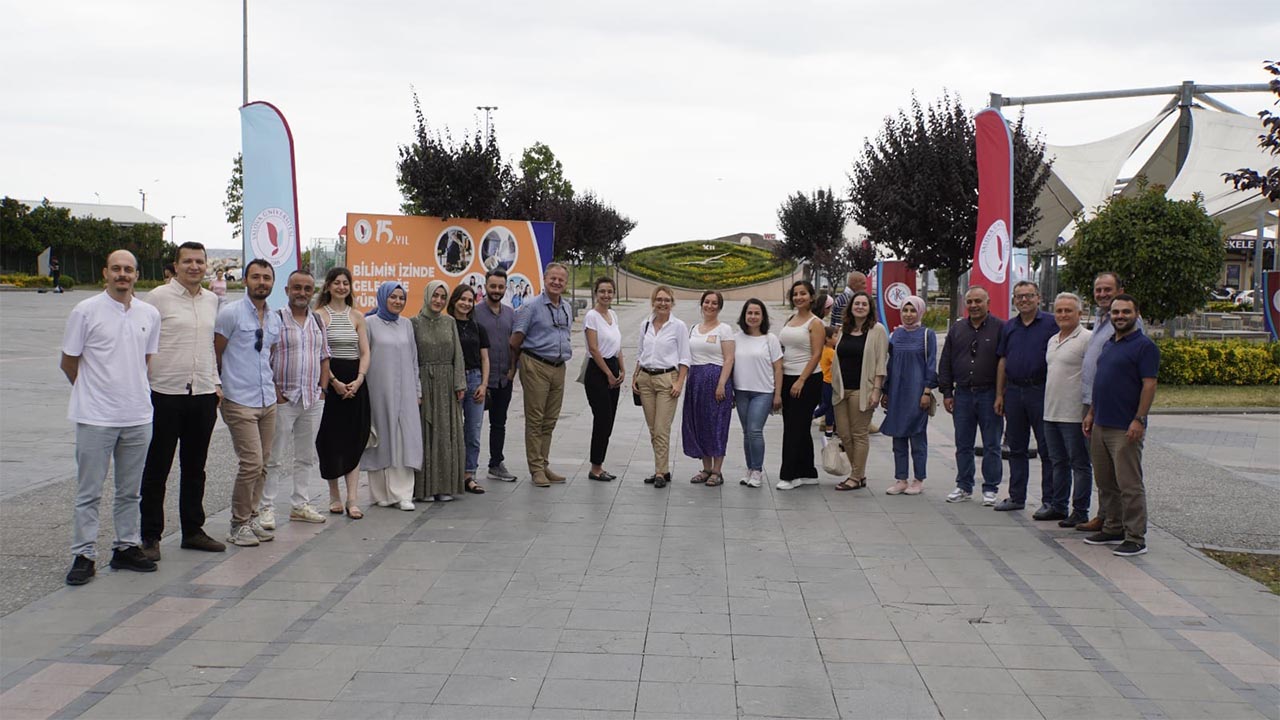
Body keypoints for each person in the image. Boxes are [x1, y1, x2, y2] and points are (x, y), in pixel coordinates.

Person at [61, 250, 160, 585]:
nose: (123, 275)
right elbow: (69, 362)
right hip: (95, 418)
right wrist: (93, 392)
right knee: (89, 491)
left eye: (128, 269)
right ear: (105, 273)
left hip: (137, 416)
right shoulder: (85, 311)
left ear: (136, 274)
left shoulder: (149, 313)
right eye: (116, 269)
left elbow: (145, 359)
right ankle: (84, 554)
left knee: (130, 491)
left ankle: (126, 547)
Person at [139, 242, 225, 559]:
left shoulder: (212, 300)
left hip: (202, 394)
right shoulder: (157, 298)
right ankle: (150, 536)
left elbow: (208, 346)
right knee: (157, 468)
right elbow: (142, 343)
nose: (194, 266)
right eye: (187, 261)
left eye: (199, 261)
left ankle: (192, 530)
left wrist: (216, 383)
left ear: (206, 266)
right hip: (165, 393)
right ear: (175, 266)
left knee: (195, 468)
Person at [1082, 294, 1159, 557]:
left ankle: (1136, 536)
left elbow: (1149, 385)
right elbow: (1100, 383)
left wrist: (1139, 419)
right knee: (1105, 482)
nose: (1120, 317)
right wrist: (1091, 413)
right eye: (1115, 313)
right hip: (1101, 422)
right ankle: (1113, 527)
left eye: (1126, 312)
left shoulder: (1144, 346)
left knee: (1129, 483)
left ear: (1136, 314)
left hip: (1125, 426)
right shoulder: (1109, 345)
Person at [214, 258, 282, 547]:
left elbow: (269, 354)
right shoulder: (230, 314)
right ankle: (238, 523)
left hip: (267, 398)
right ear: (245, 280)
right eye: (256, 277)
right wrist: (219, 386)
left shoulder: (275, 318)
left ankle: (252, 516)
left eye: (266, 278)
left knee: (263, 463)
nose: (261, 282)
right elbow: (215, 353)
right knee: (251, 462)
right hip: (238, 398)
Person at [261, 270, 330, 529]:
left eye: (307, 288)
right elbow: (265, 357)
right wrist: (276, 393)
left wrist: (322, 389)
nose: (302, 293)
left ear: (313, 292)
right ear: (287, 290)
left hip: (312, 399)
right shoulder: (275, 319)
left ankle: (300, 504)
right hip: (284, 398)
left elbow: (325, 356)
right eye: (297, 288)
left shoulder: (318, 322)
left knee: (305, 456)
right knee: (274, 457)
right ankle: (265, 507)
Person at [1075, 272, 1143, 533]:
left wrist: (1138, 417)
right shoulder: (1104, 321)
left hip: (1119, 411)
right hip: (1094, 405)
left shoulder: (1129, 325)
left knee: (1123, 473)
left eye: (1107, 289)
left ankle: (1126, 526)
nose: (1102, 294)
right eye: (1098, 290)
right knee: (1102, 468)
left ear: (1120, 289)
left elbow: (1143, 379)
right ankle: (1107, 517)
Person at [993, 281, 1058, 513]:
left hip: (1040, 392)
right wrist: (1000, 394)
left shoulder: (1052, 323)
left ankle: (1050, 500)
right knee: (1016, 448)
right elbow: (1002, 360)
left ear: (1038, 298)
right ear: (1013, 300)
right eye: (1019, 297)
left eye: (1029, 296)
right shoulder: (1009, 327)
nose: (1024, 300)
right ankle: (1016, 497)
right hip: (1014, 392)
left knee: (1047, 448)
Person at [939, 287, 1004, 506]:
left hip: (989, 394)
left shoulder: (1000, 328)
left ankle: (991, 488)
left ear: (988, 302)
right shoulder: (957, 329)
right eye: (970, 301)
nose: (974, 305)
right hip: (963, 395)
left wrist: (1000, 395)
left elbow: (1005, 363)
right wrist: (947, 392)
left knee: (992, 444)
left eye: (978, 301)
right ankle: (964, 485)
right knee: (963, 443)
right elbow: (946, 362)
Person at [314, 267, 370, 519]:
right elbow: (318, 352)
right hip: (330, 381)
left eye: (345, 283)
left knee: (354, 439)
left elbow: (365, 352)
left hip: (355, 383)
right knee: (329, 440)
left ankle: (353, 499)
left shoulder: (357, 316)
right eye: (336, 282)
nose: (341, 287)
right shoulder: (318, 316)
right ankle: (334, 495)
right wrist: (333, 382)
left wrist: (358, 380)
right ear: (327, 286)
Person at [511, 262, 573, 487]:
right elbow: (515, 339)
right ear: (545, 280)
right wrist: (516, 367)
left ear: (565, 283)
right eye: (553, 279)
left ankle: (544, 463)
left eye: (561, 280)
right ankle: (536, 468)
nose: (557, 283)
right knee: (535, 420)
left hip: (559, 367)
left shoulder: (566, 306)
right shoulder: (530, 306)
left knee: (550, 420)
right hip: (536, 364)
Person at [362, 282, 423, 508]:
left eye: (401, 298)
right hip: (378, 389)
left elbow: (414, 360)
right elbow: (364, 357)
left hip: (405, 391)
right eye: (393, 297)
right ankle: (380, 495)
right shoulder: (369, 323)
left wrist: (417, 390)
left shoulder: (406, 325)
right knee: (380, 438)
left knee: (403, 438)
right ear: (383, 298)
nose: (398, 302)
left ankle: (402, 494)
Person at [412, 281, 466, 503]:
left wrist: (459, 383)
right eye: (435, 295)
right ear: (427, 296)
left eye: (443, 297)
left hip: (447, 384)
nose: (438, 301)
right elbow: (411, 358)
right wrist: (415, 387)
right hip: (425, 383)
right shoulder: (413, 323)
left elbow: (458, 355)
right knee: (426, 434)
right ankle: (425, 488)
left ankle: (445, 486)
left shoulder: (450, 321)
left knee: (447, 434)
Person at [632, 285, 691, 488]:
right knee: (652, 428)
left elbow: (685, 357)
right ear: (653, 302)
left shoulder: (678, 326)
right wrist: (635, 376)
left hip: (667, 379)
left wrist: (679, 383)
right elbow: (641, 353)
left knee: (661, 428)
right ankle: (663, 470)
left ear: (672, 303)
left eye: (666, 300)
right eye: (659, 299)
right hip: (646, 379)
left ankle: (659, 472)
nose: (662, 303)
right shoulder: (645, 324)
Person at [1043, 292, 1093, 527]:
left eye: (1068, 311)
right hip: (1051, 411)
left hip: (1074, 414)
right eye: (1059, 311)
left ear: (1079, 314)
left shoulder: (1087, 339)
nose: (1063, 315)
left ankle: (1080, 510)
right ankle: (1058, 506)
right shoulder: (1053, 340)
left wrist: (1089, 410)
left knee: (1080, 464)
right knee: (1057, 462)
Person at [829, 291, 888, 491]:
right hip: (841, 389)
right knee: (845, 434)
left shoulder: (877, 330)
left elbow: (881, 362)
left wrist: (876, 390)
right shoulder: (844, 328)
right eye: (857, 303)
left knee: (859, 433)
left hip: (863, 389)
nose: (860, 306)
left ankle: (855, 476)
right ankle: (859, 474)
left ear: (870, 308)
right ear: (851, 307)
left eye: (864, 304)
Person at [879, 296, 937, 495]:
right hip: (897, 393)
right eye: (905, 310)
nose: (909, 315)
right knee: (898, 437)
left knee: (917, 437)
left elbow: (931, 365)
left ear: (920, 312)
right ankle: (901, 478)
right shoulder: (895, 335)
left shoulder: (927, 335)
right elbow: (890, 364)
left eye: (913, 311)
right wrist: (885, 391)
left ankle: (918, 479)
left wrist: (927, 391)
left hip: (917, 393)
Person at [681, 290, 736, 487]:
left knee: (717, 424)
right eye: (707, 302)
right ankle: (706, 468)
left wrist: (722, 383)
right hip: (695, 381)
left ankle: (717, 471)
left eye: (714, 303)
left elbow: (729, 358)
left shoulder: (724, 329)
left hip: (716, 381)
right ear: (701, 304)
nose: (710, 306)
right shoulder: (694, 328)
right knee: (700, 423)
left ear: (719, 307)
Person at [776, 280, 825, 490]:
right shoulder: (791, 318)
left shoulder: (815, 323)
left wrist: (801, 380)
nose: (798, 297)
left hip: (807, 379)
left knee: (794, 428)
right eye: (795, 294)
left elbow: (817, 354)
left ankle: (789, 475)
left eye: (803, 293)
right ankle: (808, 472)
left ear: (811, 297)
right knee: (799, 426)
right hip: (788, 377)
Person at [732, 299, 783, 487]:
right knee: (746, 432)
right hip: (741, 391)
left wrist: (777, 395)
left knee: (755, 431)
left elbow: (778, 368)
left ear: (763, 317)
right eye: (749, 313)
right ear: (744, 316)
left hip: (763, 392)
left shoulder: (770, 339)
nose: (753, 317)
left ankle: (758, 470)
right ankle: (750, 469)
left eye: (756, 313)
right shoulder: (736, 338)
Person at [474, 269, 518, 482]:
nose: (497, 290)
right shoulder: (475, 312)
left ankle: (496, 463)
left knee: (499, 423)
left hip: (503, 379)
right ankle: (466, 467)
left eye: (501, 287)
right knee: (472, 424)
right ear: (485, 286)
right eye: (493, 286)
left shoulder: (511, 313)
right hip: (480, 381)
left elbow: (514, 344)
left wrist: (512, 370)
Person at [582, 276, 625, 482]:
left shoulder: (613, 315)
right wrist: (608, 373)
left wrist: (622, 369)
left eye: (609, 291)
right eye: (602, 292)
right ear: (595, 293)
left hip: (613, 368)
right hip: (598, 372)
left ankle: (600, 464)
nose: (606, 295)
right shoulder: (592, 316)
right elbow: (593, 348)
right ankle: (595, 467)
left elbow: (617, 345)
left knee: (609, 421)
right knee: (602, 419)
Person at [448, 282, 489, 495]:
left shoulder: (477, 327)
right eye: (461, 299)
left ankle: (468, 475)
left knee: (472, 431)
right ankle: (450, 474)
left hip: (474, 379)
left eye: (469, 300)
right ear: (454, 301)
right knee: (451, 430)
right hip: (452, 381)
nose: (465, 303)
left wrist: (483, 384)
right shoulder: (446, 324)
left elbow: (484, 358)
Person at [812, 326, 837, 438]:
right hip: (829, 382)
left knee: (829, 406)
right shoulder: (831, 352)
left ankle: (829, 430)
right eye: (835, 336)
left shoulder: (821, 350)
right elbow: (837, 365)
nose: (837, 338)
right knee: (827, 405)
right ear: (827, 338)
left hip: (823, 381)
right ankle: (812, 415)